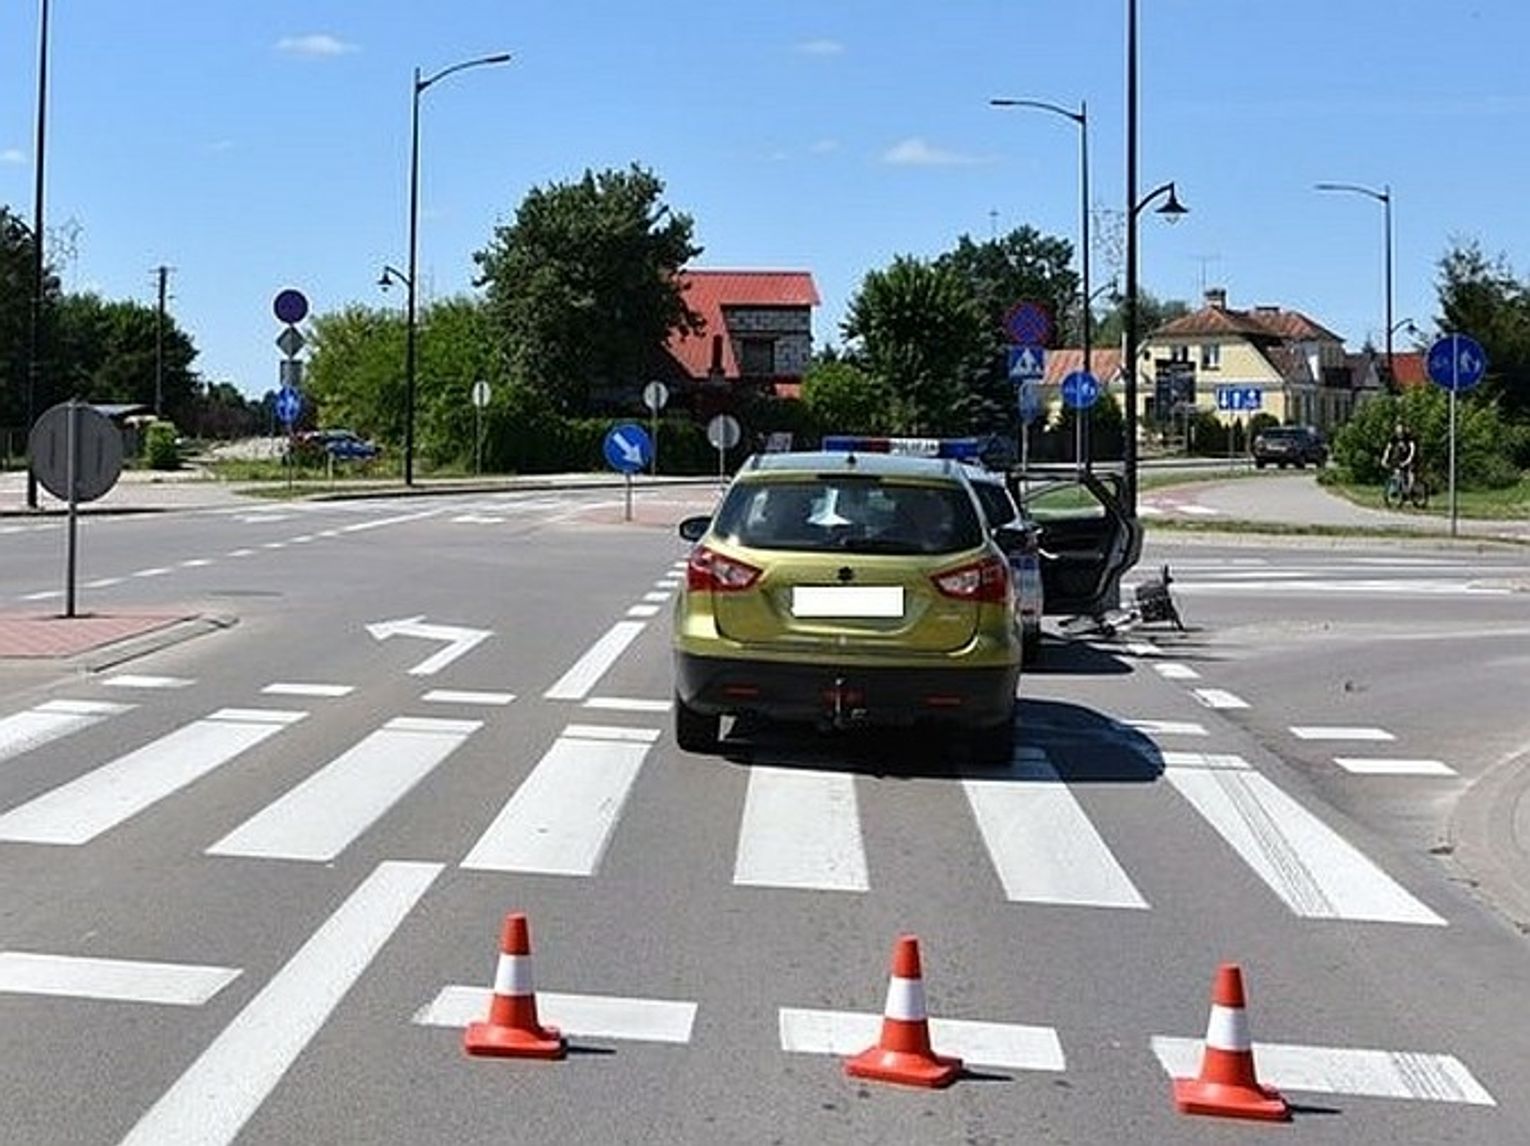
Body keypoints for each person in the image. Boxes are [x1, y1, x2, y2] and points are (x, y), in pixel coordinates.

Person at [1381, 422, 1418, 495]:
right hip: (1400, 458)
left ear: (1403, 431)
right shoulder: (1393, 438)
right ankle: (1396, 489)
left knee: (1410, 472)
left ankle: (1410, 490)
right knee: (1396, 472)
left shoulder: (1409, 438)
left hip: (1411, 457)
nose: (1398, 434)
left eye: (1400, 432)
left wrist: (1407, 461)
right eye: (1397, 431)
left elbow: (1412, 451)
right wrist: (1384, 459)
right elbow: (1388, 449)